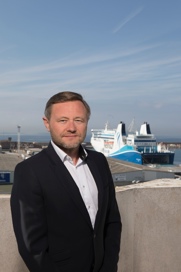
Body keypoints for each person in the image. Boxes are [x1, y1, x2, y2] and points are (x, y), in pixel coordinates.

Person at [10, 91, 121, 272]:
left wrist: (109, 266)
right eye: (63, 120)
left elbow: (112, 221)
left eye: (78, 120)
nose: (71, 127)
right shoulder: (30, 171)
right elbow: (31, 247)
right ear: (47, 124)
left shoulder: (99, 161)